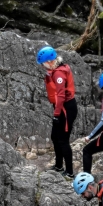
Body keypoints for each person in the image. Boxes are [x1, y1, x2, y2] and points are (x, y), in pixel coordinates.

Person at [37, 46, 77, 178]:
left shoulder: (59, 74)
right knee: (55, 136)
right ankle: (59, 165)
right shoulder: (54, 71)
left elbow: (61, 95)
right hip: (61, 107)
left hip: (66, 108)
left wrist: (56, 114)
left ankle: (70, 171)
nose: (43, 67)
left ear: (49, 62)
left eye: (43, 64)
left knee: (63, 140)